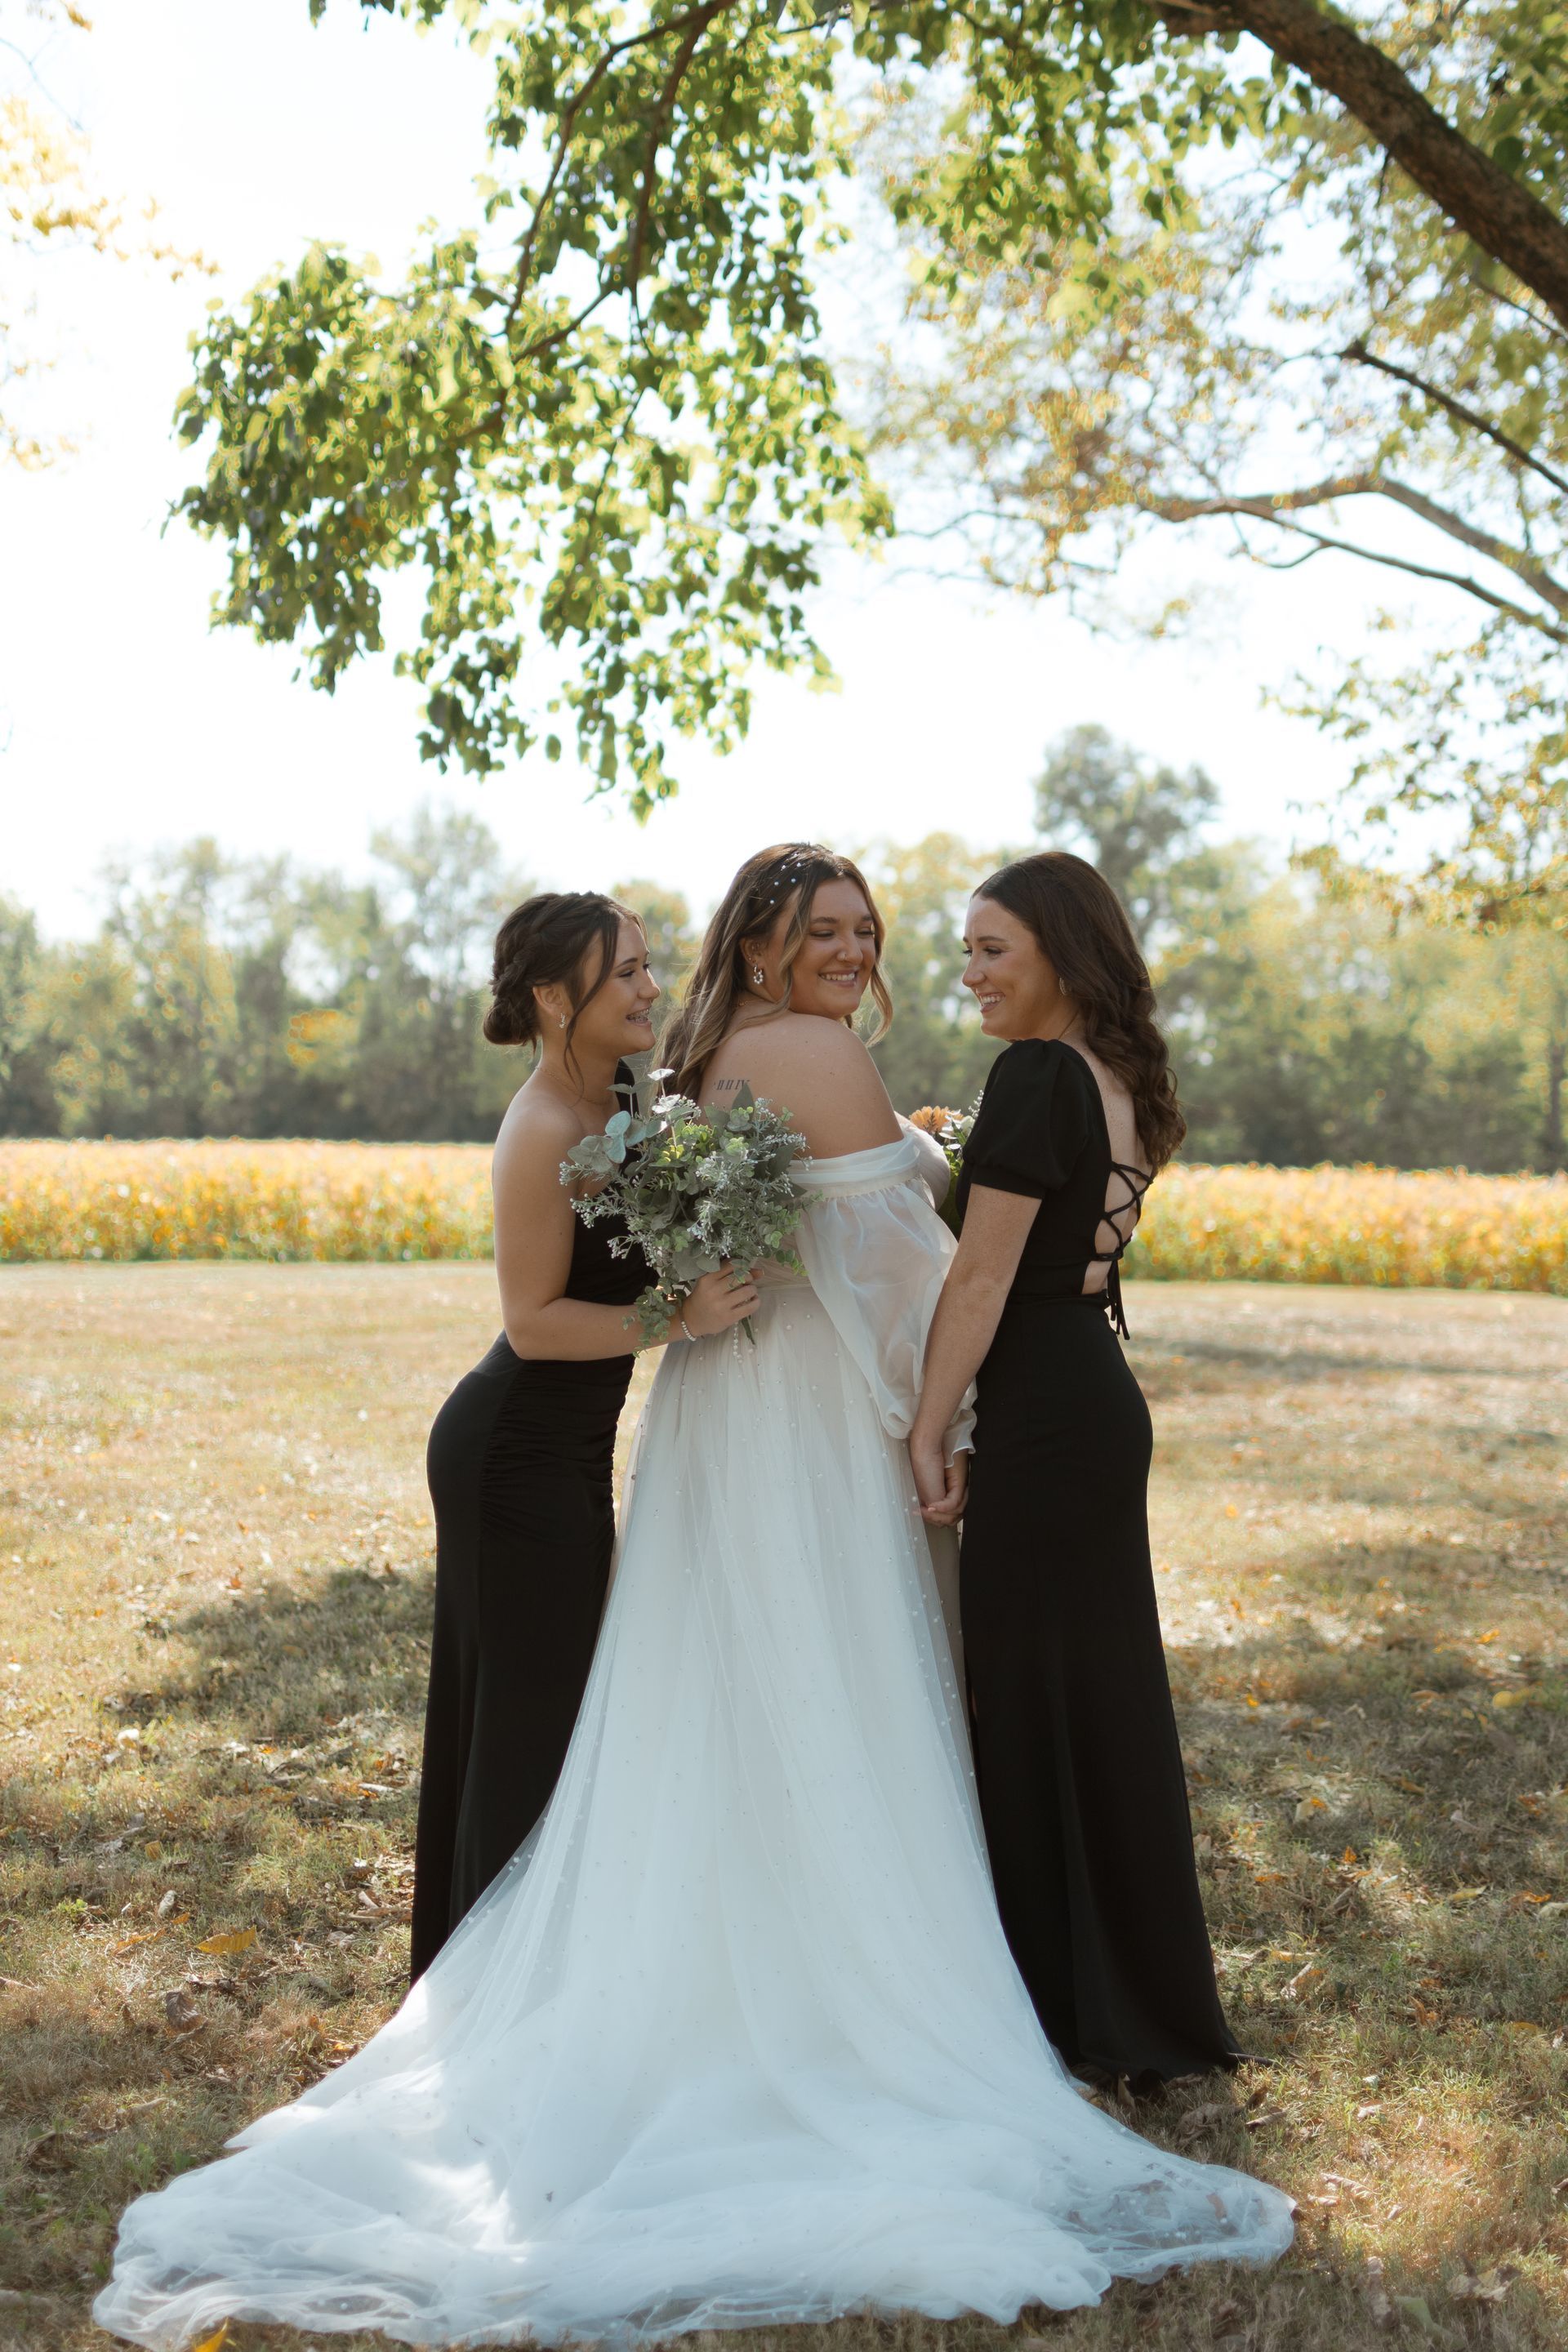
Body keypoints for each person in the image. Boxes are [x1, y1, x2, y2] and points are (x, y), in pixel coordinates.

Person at [95, 844, 1289, 2352]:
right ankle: (845, 1968)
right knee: (833, 1664)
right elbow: (894, 1259)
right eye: (824, 931)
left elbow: (799, 1214)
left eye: (867, 931)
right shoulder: (815, 1055)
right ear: (769, 942)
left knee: (713, 1670)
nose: (854, 951)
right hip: (802, 1409)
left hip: (717, 1412)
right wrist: (938, 1405)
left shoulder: (702, 1057)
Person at [910, 850, 1241, 2084]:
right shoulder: (1117, 1078)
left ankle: (1067, 2011)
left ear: (1061, 949)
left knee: (1028, 1701)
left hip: (1047, 1407)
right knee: (1098, 1704)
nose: (972, 973)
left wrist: (929, 1423)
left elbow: (983, 1275)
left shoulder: (1038, 1073)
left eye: (995, 948)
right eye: (966, 952)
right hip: (1094, 1397)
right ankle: (1131, 2002)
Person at [411, 892, 756, 1979]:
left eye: (651, 967)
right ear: (556, 997)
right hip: (510, 1457)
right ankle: (486, 1975)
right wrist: (675, 1319)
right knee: (529, 1712)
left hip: (563, 1454)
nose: (652, 988)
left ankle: (535, 1960)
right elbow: (533, 1319)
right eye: (627, 974)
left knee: (555, 1702)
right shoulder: (544, 1129)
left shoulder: (616, 1096)